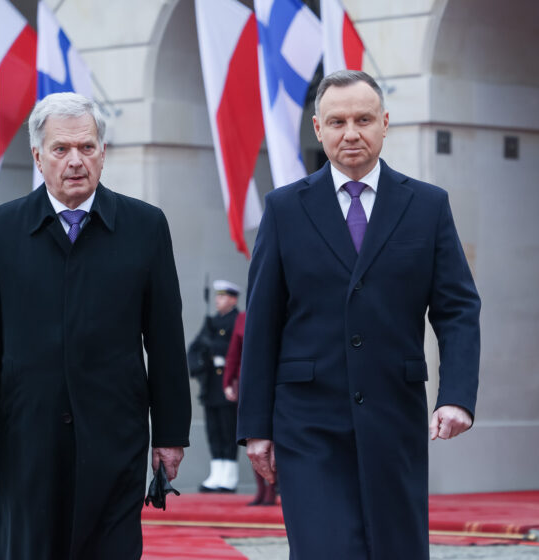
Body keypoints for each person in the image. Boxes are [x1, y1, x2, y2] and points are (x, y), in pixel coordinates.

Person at [238, 70, 481, 559]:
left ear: (385, 123)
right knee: (326, 548)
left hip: (394, 414)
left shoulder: (427, 206)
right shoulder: (284, 209)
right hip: (307, 420)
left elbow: (457, 307)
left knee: (394, 548)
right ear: (318, 128)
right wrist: (256, 427)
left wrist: (456, 396)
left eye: (364, 119)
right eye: (338, 121)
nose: (351, 133)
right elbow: (262, 324)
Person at [0, 92, 192, 559]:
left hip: (115, 437)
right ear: (38, 157)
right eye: (61, 149)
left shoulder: (146, 226)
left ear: (104, 152)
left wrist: (170, 435)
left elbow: (164, 340)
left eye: (87, 147)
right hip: (26, 441)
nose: (75, 160)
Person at [188, 280, 241, 493]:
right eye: (217, 297)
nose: (218, 300)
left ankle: (230, 475)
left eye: (223, 296)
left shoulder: (237, 320)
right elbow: (195, 348)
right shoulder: (211, 322)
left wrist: (216, 349)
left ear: (233, 299)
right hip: (211, 385)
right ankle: (217, 472)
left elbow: (238, 346)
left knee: (228, 430)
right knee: (214, 430)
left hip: (228, 384)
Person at [222, 311, 275, 505]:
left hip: (277, 383)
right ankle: (261, 489)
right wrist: (228, 382)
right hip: (249, 385)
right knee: (253, 437)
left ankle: (273, 487)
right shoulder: (244, 317)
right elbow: (233, 352)